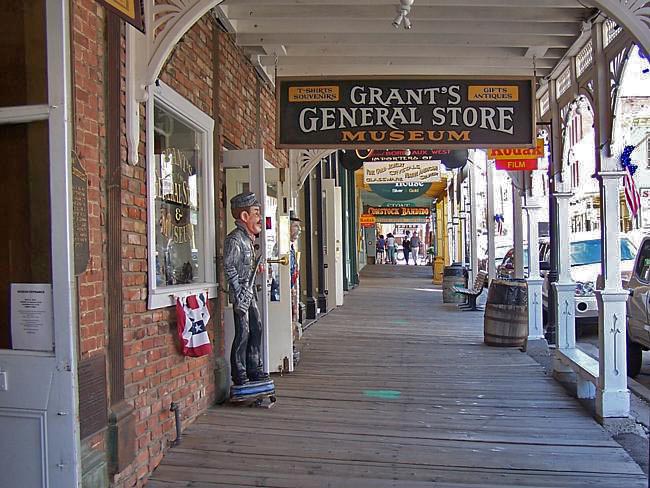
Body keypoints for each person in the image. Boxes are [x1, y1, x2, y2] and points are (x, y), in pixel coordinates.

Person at [224, 191, 270, 386]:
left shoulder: (248, 240)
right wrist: (238, 290)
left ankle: (254, 367)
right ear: (244, 216)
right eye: (256, 213)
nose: (260, 218)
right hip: (241, 292)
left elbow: (243, 265)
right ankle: (240, 372)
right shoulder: (235, 239)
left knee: (256, 328)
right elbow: (229, 265)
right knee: (243, 332)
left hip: (249, 292)